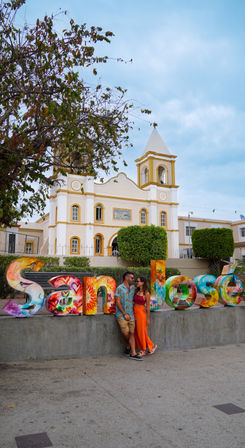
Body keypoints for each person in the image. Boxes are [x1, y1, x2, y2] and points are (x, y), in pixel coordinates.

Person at [115, 271, 143, 361]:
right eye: (131, 278)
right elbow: (117, 302)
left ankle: (133, 353)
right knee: (126, 333)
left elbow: (142, 292)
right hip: (121, 315)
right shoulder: (119, 288)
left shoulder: (133, 288)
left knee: (132, 333)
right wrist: (124, 313)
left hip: (131, 315)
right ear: (126, 278)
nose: (133, 280)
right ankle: (128, 345)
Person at [134, 276, 157, 356]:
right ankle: (152, 345)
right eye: (136, 281)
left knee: (141, 332)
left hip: (141, 313)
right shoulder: (136, 291)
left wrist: (147, 318)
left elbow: (148, 306)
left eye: (138, 281)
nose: (137, 283)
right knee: (136, 332)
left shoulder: (146, 293)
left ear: (142, 283)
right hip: (135, 312)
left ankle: (143, 350)